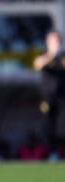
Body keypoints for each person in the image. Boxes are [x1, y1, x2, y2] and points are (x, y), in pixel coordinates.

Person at [33, 31, 65, 161]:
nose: (54, 43)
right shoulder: (43, 55)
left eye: (56, 41)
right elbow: (37, 65)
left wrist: (58, 56)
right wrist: (51, 55)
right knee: (48, 125)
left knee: (62, 125)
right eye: (51, 41)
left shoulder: (62, 56)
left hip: (63, 96)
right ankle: (53, 152)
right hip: (47, 96)